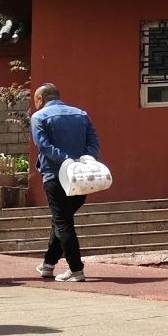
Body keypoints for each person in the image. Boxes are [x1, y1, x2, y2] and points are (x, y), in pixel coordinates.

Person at [29, 84, 98, 282]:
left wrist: (65, 160)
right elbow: (93, 142)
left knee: (63, 222)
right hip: (82, 176)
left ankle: (76, 269)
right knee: (60, 220)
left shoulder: (39, 117)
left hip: (54, 175)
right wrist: (84, 160)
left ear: (40, 99)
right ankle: (48, 265)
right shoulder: (81, 114)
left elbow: (43, 145)